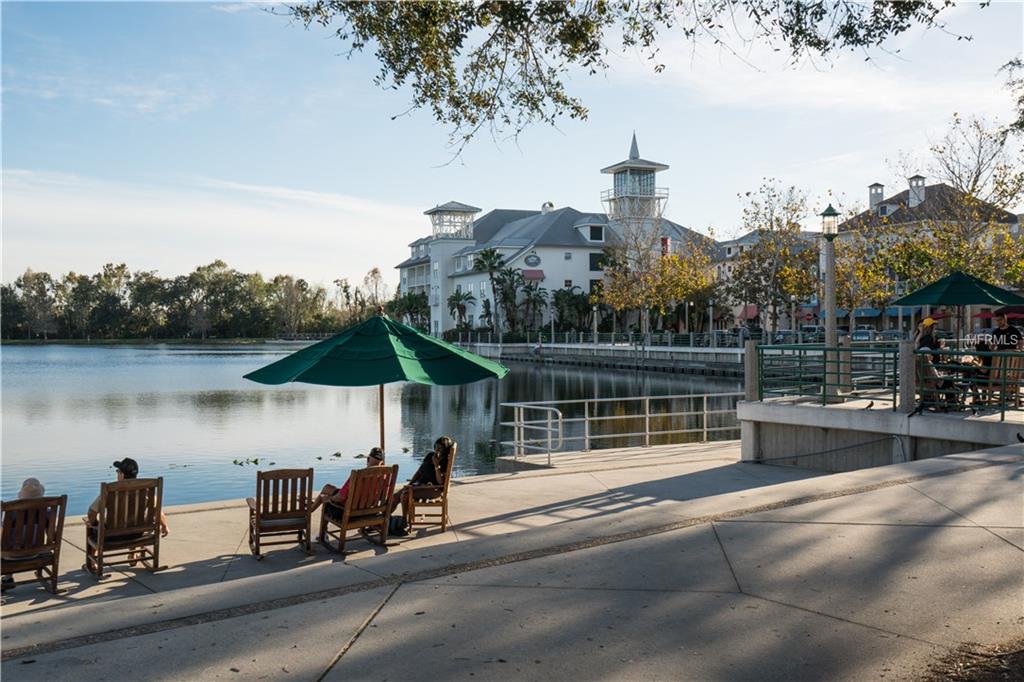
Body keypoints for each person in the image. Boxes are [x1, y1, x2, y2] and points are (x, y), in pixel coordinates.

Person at [85, 458, 170, 536]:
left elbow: (91, 513)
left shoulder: (110, 492)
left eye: (118, 471)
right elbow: (157, 510)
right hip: (137, 534)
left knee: (91, 527)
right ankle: (132, 552)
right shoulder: (146, 491)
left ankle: (95, 552)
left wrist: (96, 524)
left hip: (111, 536)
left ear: (122, 474)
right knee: (138, 520)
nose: (117, 474)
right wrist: (165, 526)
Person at [392, 436, 454, 527]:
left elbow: (440, 482)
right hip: (419, 485)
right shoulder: (430, 456)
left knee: (405, 495)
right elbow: (419, 471)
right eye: (436, 447)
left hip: (434, 489)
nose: (437, 450)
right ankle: (383, 520)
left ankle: (404, 522)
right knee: (395, 497)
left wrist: (436, 465)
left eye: (440, 448)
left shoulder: (445, 463)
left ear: (446, 450)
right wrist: (410, 484)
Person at [311, 447, 386, 522]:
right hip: (369, 513)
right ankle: (312, 506)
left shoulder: (358, 476)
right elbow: (384, 497)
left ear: (368, 459)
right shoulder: (385, 477)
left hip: (347, 513)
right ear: (382, 463)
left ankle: (309, 511)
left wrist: (329, 499)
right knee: (327, 488)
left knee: (324, 499)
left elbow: (341, 497)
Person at [1, 478, 48, 591]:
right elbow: (53, 534)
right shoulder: (47, 512)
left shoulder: (12, 512)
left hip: (11, 554)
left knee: (8, 543)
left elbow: (3, 536)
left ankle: (8, 577)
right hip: (36, 551)